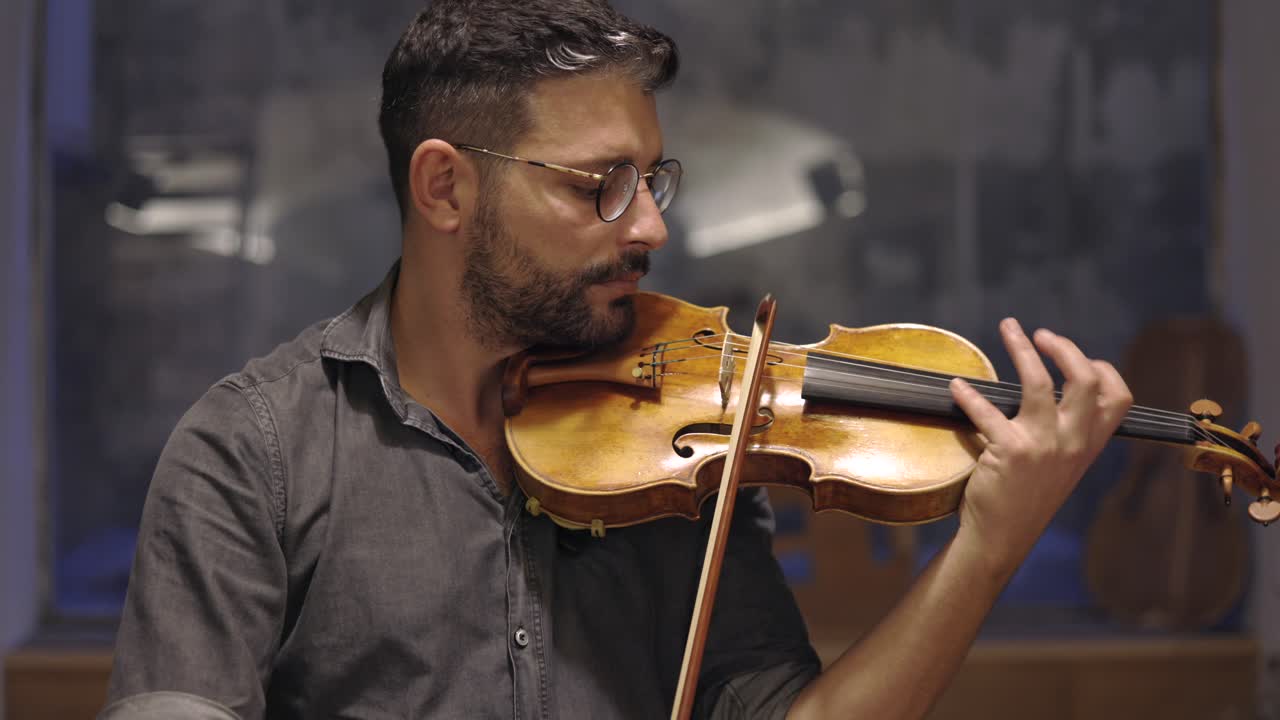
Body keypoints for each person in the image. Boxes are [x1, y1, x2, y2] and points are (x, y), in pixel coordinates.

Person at [101, 1, 1134, 718]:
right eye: (597, 184)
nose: (647, 227)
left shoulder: (685, 464)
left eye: (651, 179)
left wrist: (985, 548)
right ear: (445, 189)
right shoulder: (253, 454)